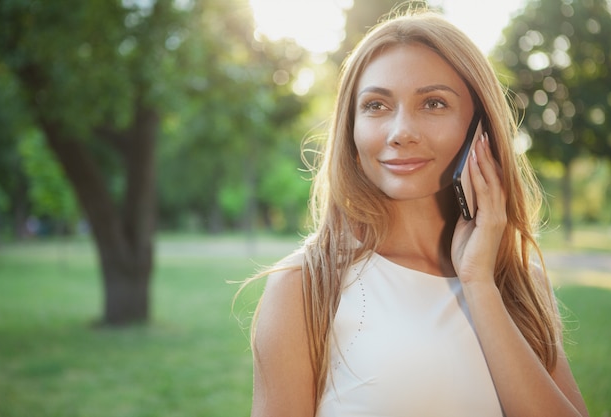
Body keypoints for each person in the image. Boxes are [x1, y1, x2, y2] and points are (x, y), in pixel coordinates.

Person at [242, 7, 590, 417]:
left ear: (480, 127)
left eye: (434, 103)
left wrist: (479, 284)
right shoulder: (304, 287)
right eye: (376, 106)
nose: (401, 132)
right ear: (351, 128)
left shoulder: (517, 278)